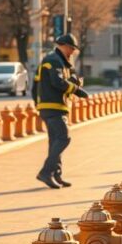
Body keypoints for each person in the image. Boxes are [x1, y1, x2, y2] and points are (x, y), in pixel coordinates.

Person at [31, 33, 89, 189]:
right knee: (63, 138)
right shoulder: (53, 60)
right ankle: (45, 172)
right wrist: (77, 90)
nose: (72, 52)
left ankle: (56, 174)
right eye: (71, 48)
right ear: (62, 45)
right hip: (53, 107)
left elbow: (37, 85)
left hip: (53, 107)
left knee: (55, 142)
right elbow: (57, 82)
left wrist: (74, 81)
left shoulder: (60, 62)